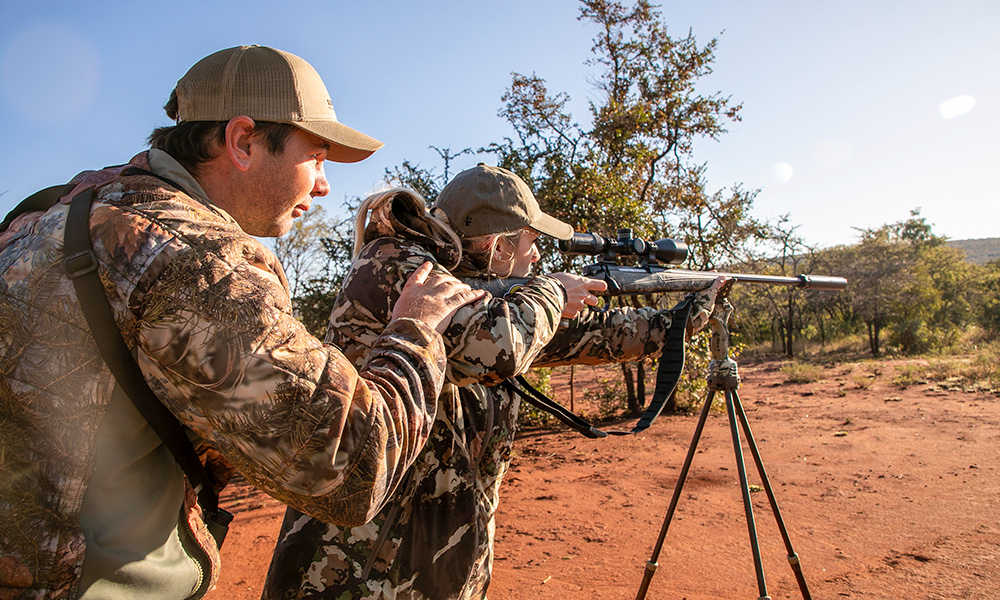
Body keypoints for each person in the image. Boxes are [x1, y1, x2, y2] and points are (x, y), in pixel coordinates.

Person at [0, 45, 485, 599]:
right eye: (317, 156)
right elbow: (350, 467)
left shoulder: (50, 213)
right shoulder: (194, 261)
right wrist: (416, 331)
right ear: (243, 141)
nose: (324, 185)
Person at [261, 164, 725, 599]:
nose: (538, 255)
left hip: (437, 557)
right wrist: (553, 291)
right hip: (353, 566)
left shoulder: (486, 296)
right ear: (495, 245)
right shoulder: (397, 266)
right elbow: (499, 345)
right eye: (529, 241)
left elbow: (580, 336)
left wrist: (680, 321)